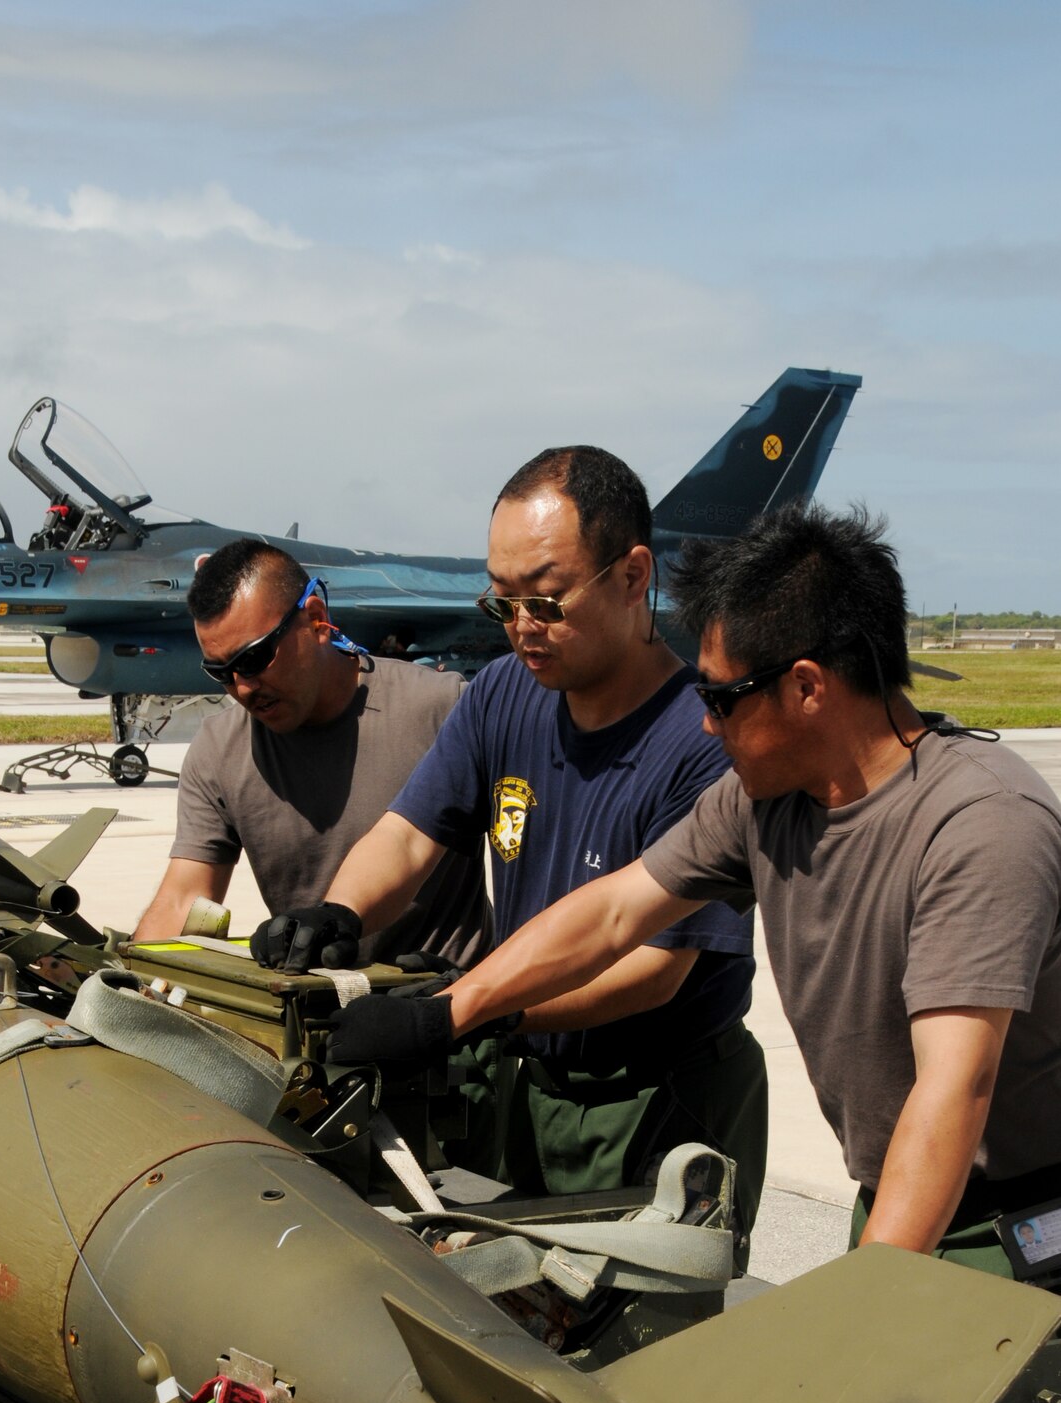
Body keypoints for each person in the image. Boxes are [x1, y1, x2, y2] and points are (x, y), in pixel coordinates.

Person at [328, 503, 1061, 1278]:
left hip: (1012, 1221)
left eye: (719, 699)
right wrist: (449, 1013)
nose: (706, 727)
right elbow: (615, 911)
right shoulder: (766, 798)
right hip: (896, 1190)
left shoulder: (981, 825)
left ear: (807, 688)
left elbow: (954, 1088)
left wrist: (862, 1301)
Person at [255, 447, 768, 1251]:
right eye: (503, 604)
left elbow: (653, 971)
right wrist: (338, 914)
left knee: (639, 1344)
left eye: (548, 602)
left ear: (635, 577)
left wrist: (462, 1012)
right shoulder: (503, 694)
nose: (524, 628)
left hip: (655, 1093)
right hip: (529, 1074)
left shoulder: (705, 741)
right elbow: (407, 835)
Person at [131, 538, 490, 969]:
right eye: (221, 672)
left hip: (449, 1011)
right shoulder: (219, 751)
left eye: (255, 658)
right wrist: (129, 991)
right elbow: (184, 899)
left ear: (316, 619)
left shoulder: (441, 708)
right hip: (312, 1013)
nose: (243, 688)